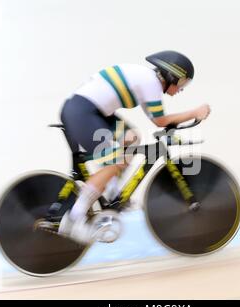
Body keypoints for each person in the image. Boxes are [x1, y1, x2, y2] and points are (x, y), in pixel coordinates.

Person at [53, 50, 211, 244]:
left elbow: (157, 120)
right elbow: (161, 121)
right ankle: (73, 219)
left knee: (132, 137)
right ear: (171, 75)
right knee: (115, 163)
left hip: (90, 111)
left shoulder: (147, 81)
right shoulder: (151, 83)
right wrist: (195, 112)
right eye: (182, 82)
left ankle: (112, 195)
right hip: (83, 113)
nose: (181, 88)